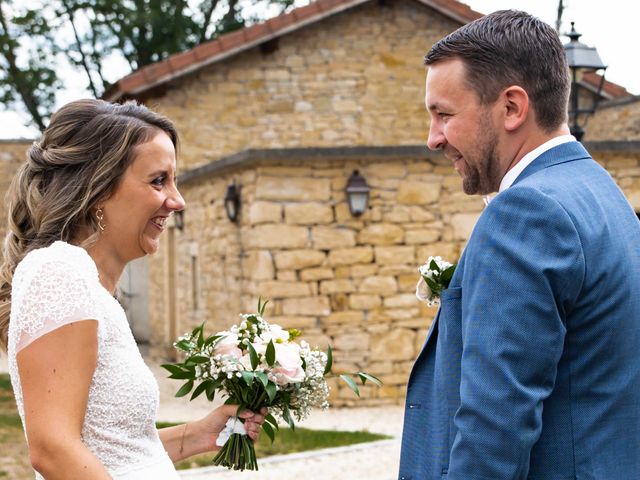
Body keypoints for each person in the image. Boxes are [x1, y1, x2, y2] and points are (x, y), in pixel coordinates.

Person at [400, 9, 640, 480]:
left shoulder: (526, 213)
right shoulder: (603, 194)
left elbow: (494, 433)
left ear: (512, 107)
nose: (433, 139)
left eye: (444, 115)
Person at [0, 99, 265, 479]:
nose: (177, 200)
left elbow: (116, 450)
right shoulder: (57, 269)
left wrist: (198, 434)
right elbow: (53, 450)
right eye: (159, 181)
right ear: (98, 191)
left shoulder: (92, 288)